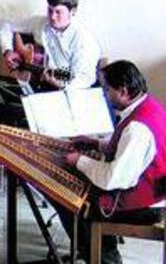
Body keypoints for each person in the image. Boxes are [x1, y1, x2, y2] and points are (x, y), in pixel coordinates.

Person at [58, 60, 166, 263]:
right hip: (152, 190)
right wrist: (95, 143)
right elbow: (126, 147)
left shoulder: (138, 129)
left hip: (149, 204)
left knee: (75, 202)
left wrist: (79, 160)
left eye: (107, 89)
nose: (105, 94)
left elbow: (112, 179)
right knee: (80, 188)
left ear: (124, 91)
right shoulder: (146, 105)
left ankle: (103, 258)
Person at [0, 0, 101, 90]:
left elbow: (85, 79)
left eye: (58, 12)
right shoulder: (40, 23)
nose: (52, 17)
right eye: (50, 10)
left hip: (63, 93)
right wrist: (7, 50)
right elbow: (6, 26)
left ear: (72, 11)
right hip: (35, 84)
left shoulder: (85, 41)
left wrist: (62, 85)